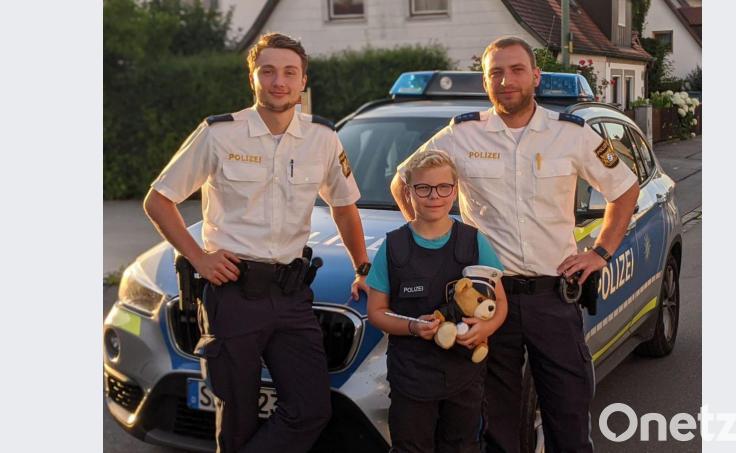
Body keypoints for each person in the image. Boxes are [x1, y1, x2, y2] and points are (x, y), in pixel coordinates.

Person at [390, 37, 640, 453]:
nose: (506, 80)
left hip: (552, 297)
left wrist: (599, 252)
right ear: (486, 81)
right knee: (497, 422)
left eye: (516, 70)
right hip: (490, 298)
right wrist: (435, 244)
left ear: (535, 76)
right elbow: (403, 180)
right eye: (496, 73)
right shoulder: (462, 135)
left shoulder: (571, 134)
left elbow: (625, 189)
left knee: (569, 415)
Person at [143, 32, 371, 453]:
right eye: (268, 71)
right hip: (232, 295)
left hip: (292, 294)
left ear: (304, 80)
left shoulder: (323, 138)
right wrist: (198, 258)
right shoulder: (219, 134)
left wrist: (362, 267)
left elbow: (344, 205)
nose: (278, 81)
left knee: (310, 409)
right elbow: (158, 200)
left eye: (289, 72)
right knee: (237, 419)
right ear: (253, 78)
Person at [366, 150, 508, 453]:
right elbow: (376, 312)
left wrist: (486, 329)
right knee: (411, 446)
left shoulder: (473, 241)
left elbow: (499, 303)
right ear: (408, 192)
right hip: (411, 376)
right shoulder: (393, 246)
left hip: (463, 374)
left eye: (444, 187)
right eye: (423, 188)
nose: (435, 196)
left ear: (455, 191)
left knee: (462, 446)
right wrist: (414, 327)